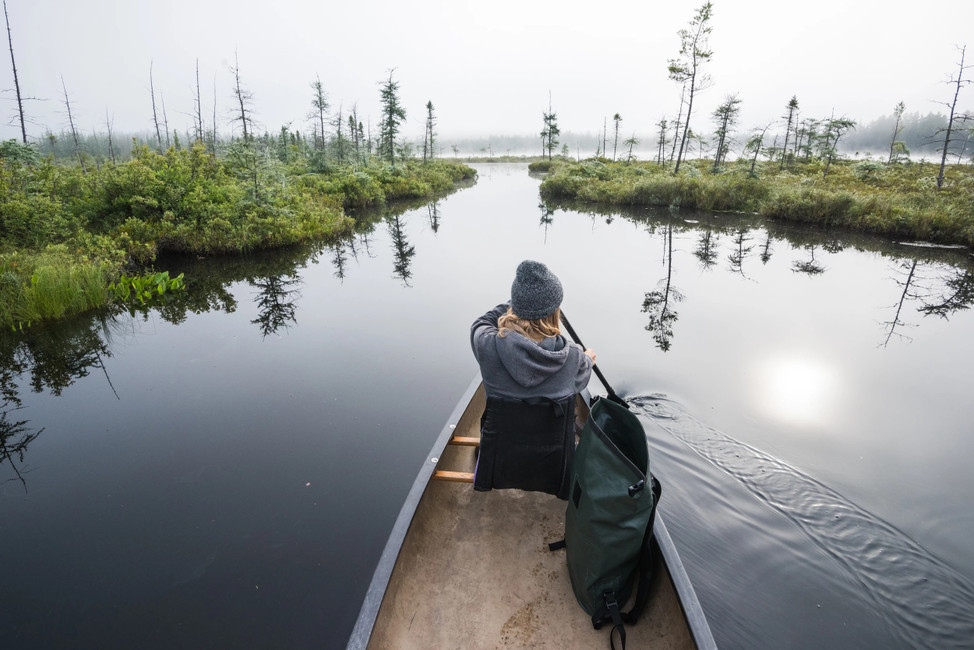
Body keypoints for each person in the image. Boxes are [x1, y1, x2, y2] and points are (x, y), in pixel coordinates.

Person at [469, 260, 596, 499]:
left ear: (516, 307)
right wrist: (588, 359)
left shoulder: (487, 346)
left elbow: (481, 322)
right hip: (552, 468)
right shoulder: (573, 358)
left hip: (500, 461)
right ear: (555, 311)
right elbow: (582, 378)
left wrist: (513, 305)